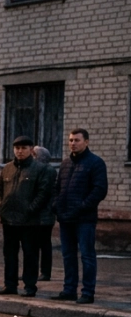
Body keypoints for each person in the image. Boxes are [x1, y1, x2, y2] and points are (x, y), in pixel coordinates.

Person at [51, 128, 108, 304]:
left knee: (87, 255)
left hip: (84, 219)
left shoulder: (95, 163)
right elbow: (58, 188)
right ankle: (69, 290)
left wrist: (81, 207)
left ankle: (88, 292)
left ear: (87, 142)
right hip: (66, 217)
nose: (73, 144)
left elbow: (99, 191)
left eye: (77, 140)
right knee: (68, 255)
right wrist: (56, 206)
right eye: (70, 140)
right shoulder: (66, 163)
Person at [0, 136, 52, 297]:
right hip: (9, 219)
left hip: (29, 221)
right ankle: (10, 285)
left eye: (24, 148)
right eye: (17, 148)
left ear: (31, 150)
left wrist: (31, 209)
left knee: (30, 255)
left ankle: (29, 287)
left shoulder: (40, 169)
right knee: (10, 255)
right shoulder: (7, 168)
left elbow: (43, 193)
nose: (20, 151)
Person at [34, 147, 57, 282]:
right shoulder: (38, 170)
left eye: (34, 155)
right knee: (34, 244)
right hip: (37, 214)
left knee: (44, 244)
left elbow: (44, 194)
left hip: (45, 215)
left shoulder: (47, 171)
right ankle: (34, 271)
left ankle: (45, 272)